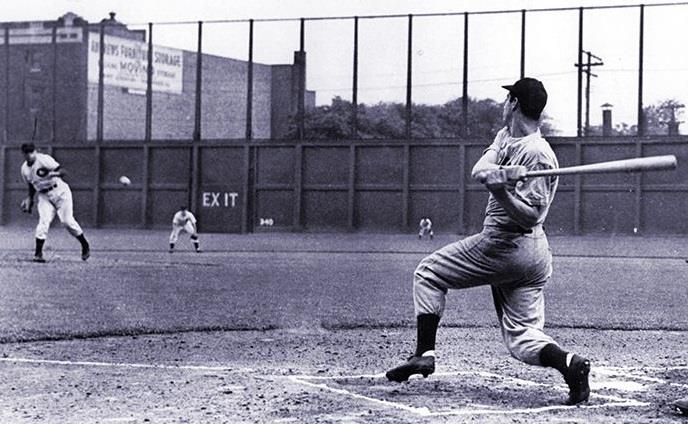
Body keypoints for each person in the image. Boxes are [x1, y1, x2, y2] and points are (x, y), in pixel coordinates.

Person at [385, 77, 591, 406]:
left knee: (428, 273)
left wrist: (501, 190)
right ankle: (570, 364)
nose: (503, 103)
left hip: (508, 244)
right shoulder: (506, 137)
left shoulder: (537, 154)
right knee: (522, 338)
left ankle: (424, 354)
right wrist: (498, 174)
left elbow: (529, 216)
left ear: (514, 104)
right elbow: (479, 171)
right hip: (529, 256)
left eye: (507, 98)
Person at [20, 143, 90, 263]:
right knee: (44, 221)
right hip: (44, 195)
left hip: (60, 191)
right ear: (23, 154)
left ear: (35, 151)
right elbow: (32, 185)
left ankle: (84, 244)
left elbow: (63, 171)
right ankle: (38, 254)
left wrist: (56, 174)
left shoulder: (44, 159)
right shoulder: (24, 170)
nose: (30, 155)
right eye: (27, 152)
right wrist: (30, 199)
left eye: (31, 152)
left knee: (67, 221)